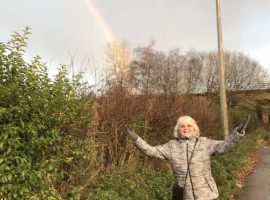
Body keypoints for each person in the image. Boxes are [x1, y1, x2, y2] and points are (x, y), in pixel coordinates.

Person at [127, 115, 249, 200]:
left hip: (206, 194)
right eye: (182, 126)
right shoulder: (171, 146)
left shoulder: (205, 143)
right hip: (184, 196)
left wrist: (237, 133)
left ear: (194, 128)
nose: (186, 128)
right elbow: (151, 151)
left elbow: (225, 146)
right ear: (178, 130)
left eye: (189, 125)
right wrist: (136, 139)